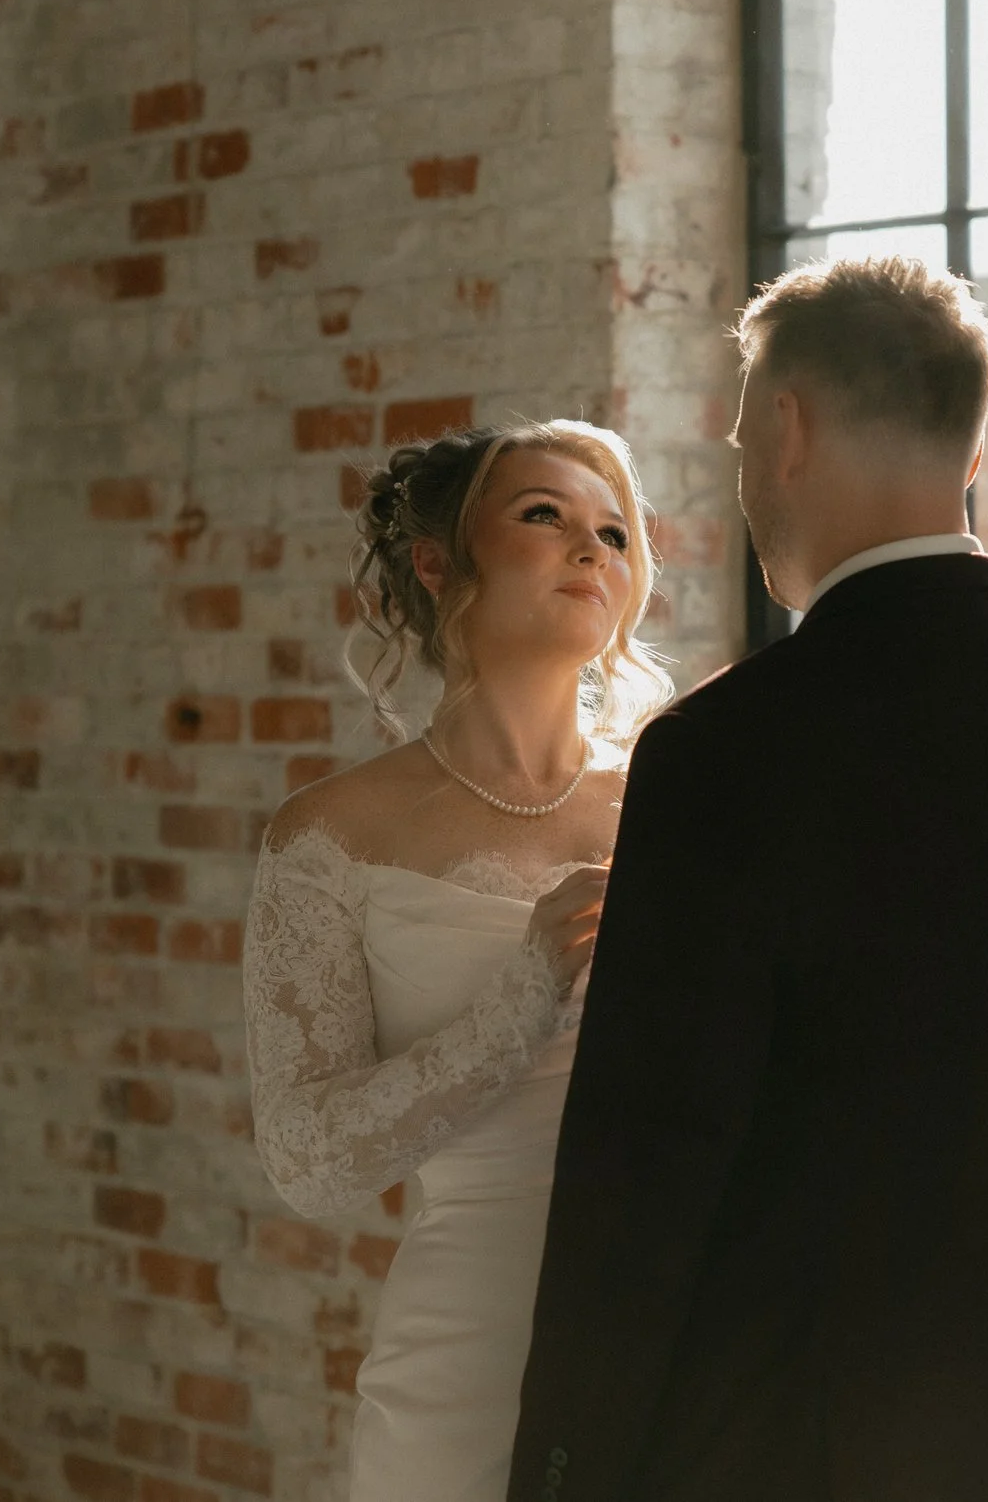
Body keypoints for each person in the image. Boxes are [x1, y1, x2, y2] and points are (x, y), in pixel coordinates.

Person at [509, 257, 988, 1502]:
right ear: (970, 452)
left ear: (787, 428)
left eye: (744, 434)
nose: (745, 472)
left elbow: (646, 1176)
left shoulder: (720, 753)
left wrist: (561, 1474)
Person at [242, 418, 674, 1502]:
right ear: (438, 563)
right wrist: (521, 1000)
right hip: (462, 1357)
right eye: (545, 514)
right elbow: (308, 1161)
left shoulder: (678, 804)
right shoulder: (330, 833)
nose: (591, 548)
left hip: (675, 1335)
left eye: (614, 532)